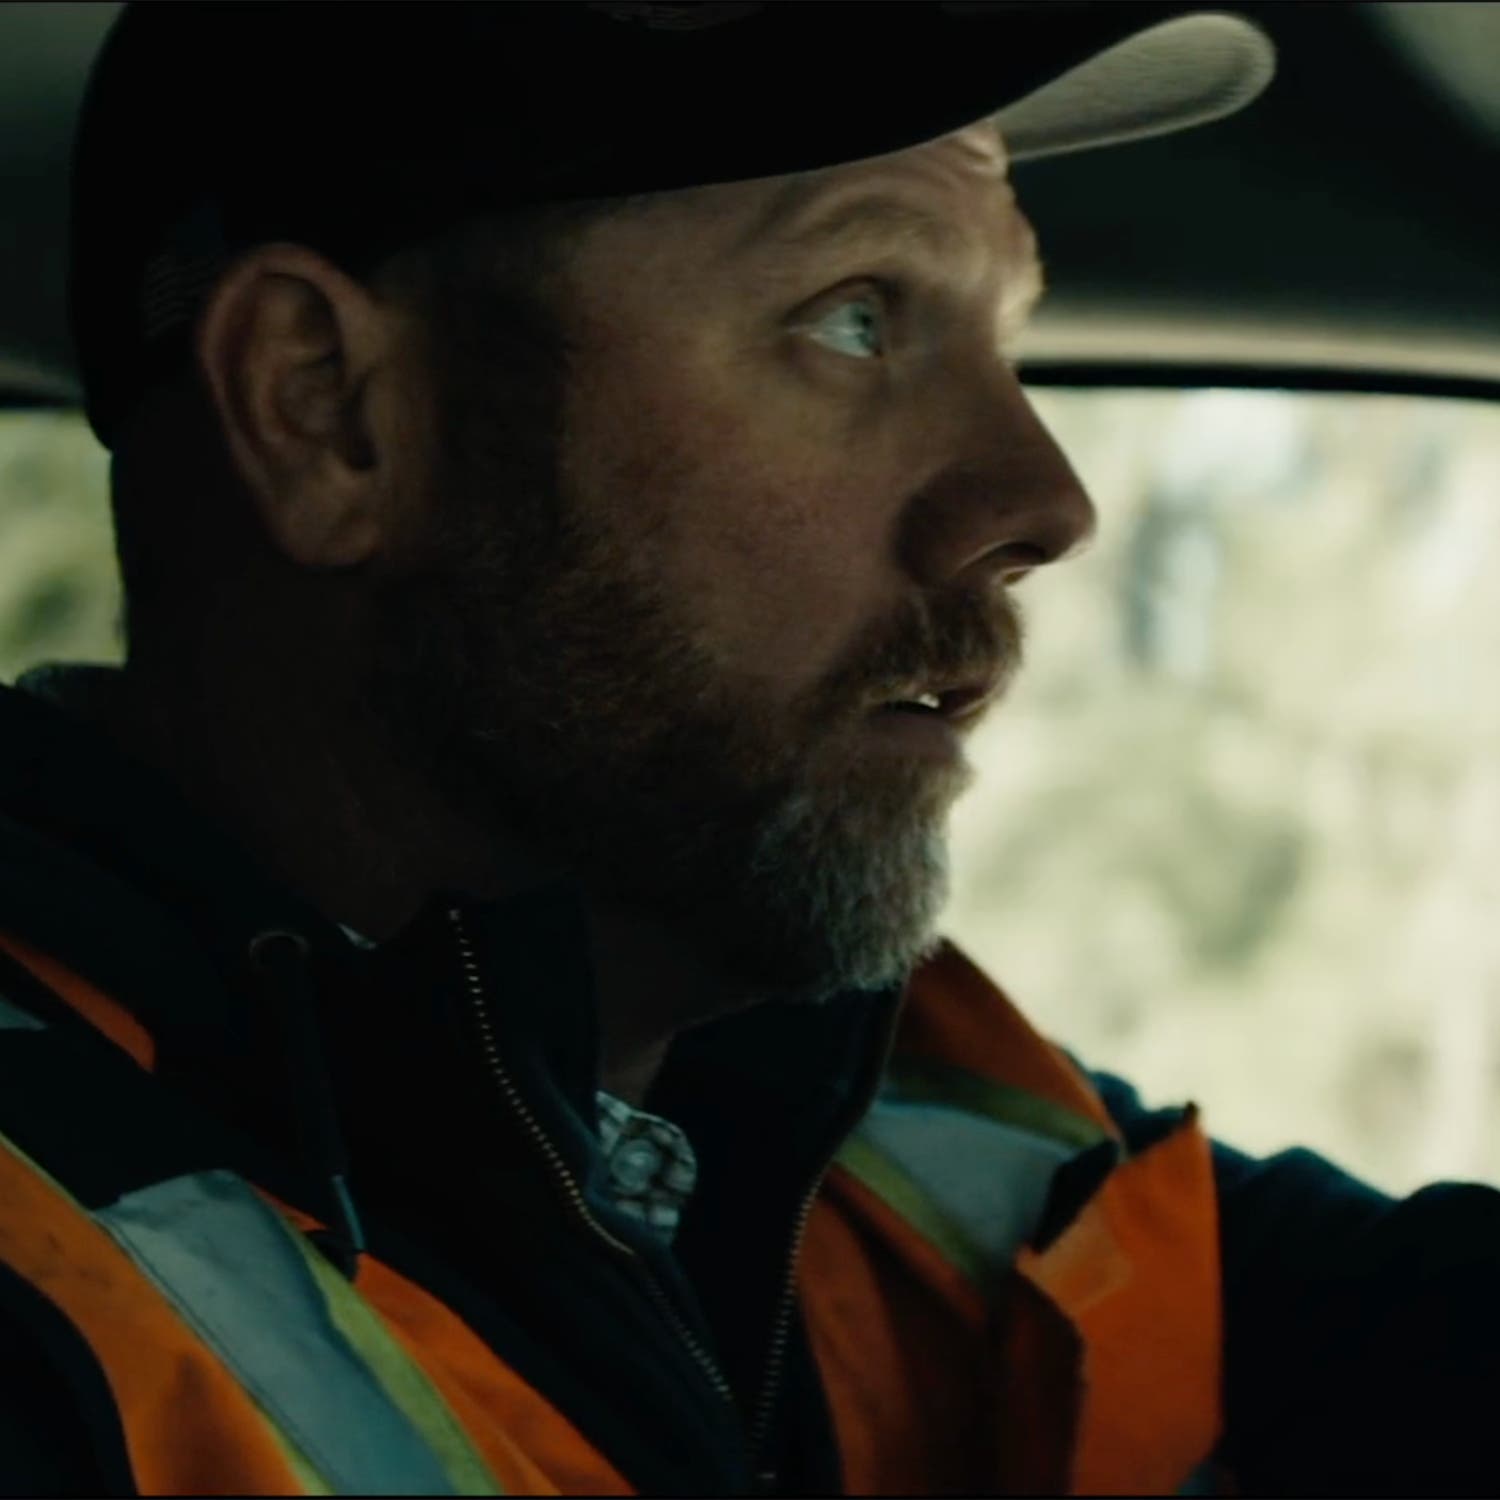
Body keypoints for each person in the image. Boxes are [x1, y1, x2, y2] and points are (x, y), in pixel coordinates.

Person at [2, 3, 1495, 1495]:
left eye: (1005, 341)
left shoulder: (886, 1118)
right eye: (856, 319)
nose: (1042, 502)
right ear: (327, 409)